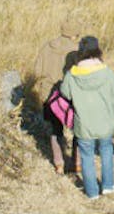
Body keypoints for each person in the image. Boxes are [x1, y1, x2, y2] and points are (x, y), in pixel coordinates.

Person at [60, 36, 114, 199]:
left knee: (87, 157)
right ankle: (108, 185)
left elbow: (65, 93)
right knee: (106, 152)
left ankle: (91, 192)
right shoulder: (106, 72)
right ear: (97, 51)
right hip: (105, 123)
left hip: (84, 125)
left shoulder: (71, 75)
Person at [34, 21, 82, 175]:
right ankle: (77, 162)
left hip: (50, 95)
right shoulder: (76, 51)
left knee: (55, 130)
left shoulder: (46, 47)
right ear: (74, 34)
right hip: (71, 96)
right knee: (78, 129)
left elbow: (36, 72)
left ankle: (59, 163)